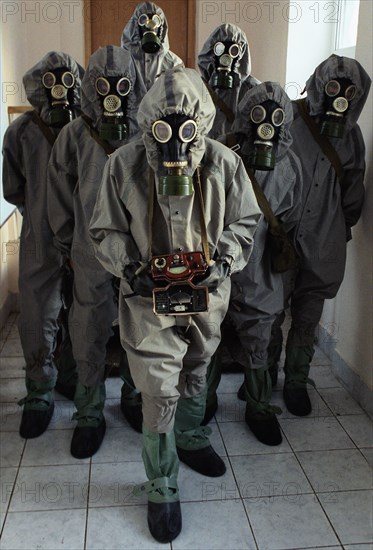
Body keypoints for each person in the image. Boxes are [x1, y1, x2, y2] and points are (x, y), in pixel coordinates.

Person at [89, 66, 261, 543]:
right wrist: (131, 268)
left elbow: (246, 221)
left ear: (200, 126)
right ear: (148, 127)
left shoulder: (224, 164)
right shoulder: (124, 165)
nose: (175, 145)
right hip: (148, 301)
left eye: (186, 132)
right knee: (159, 388)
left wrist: (222, 263)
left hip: (207, 297)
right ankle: (162, 483)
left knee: (198, 372)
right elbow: (104, 229)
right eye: (163, 130)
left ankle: (192, 437)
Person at [47, 45, 141, 459]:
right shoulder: (74, 136)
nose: (113, 96)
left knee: (140, 329)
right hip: (89, 251)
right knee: (88, 331)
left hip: (137, 252)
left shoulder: (145, 131)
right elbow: (58, 195)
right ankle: (89, 412)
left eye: (122, 86)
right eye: (103, 87)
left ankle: (136, 398)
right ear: (89, 89)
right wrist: (68, 243)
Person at [270, 54, 371, 416]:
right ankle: (264, 378)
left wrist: (341, 228)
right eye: (332, 87)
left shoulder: (352, 137)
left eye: (348, 92)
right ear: (317, 85)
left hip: (323, 237)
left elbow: (353, 188)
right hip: (282, 234)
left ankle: (296, 379)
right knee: (270, 311)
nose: (338, 98)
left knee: (308, 314)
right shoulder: (290, 118)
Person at [202, 82, 303, 445]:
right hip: (221, 263)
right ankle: (204, 400)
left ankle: (259, 406)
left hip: (261, 270)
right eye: (259, 115)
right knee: (209, 337)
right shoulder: (221, 154)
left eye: (276, 118)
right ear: (246, 115)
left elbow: (290, 220)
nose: (267, 126)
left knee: (260, 337)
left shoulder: (289, 166)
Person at [2, 51, 83, 439]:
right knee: (36, 317)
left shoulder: (88, 129)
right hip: (40, 241)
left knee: (82, 312)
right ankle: (39, 392)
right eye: (51, 81)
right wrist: (41, 216)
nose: (59, 91)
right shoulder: (20, 133)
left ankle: (70, 374)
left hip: (85, 240)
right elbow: (14, 188)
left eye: (67, 81)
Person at [197, 23, 260, 139]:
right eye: (220, 49)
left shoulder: (254, 91)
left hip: (238, 154)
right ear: (211, 51)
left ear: (241, 54)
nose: (226, 57)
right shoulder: (197, 87)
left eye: (233, 51)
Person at [121, 1, 183, 94]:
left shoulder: (174, 63)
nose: (150, 25)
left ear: (162, 27)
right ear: (135, 26)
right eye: (143, 20)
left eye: (156, 21)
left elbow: (178, 96)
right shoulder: (121, 61)